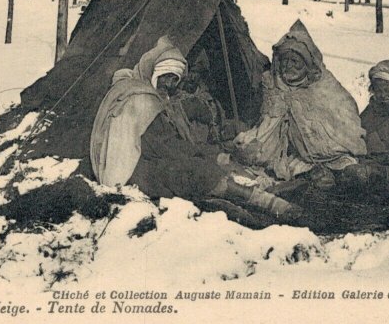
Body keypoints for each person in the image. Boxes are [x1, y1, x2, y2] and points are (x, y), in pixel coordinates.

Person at [90, 36, 300, 220]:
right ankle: (262, 201)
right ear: (154, 72)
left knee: (198, 164)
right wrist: (204, 156)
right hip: (131, 172)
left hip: (133, 161)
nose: (170, 84)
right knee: (195, 171)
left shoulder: (135, 89)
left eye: (175, 79)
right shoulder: (142, 99)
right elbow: (163, 146)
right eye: (166, 77)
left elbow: (162, 142)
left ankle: (250, 192)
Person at [233, 20, 368, 187]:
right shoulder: (272, 83)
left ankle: (335, 171)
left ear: (307, 65)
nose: (288, 66)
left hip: (332, 154)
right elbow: (265, 124)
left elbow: (345, 116)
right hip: (291, 155)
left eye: (294, 61)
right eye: (285, 61)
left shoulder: (324, 85)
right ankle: (314, 173)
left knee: (348, 169)